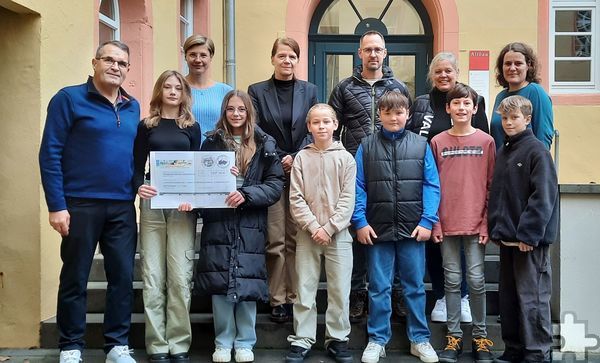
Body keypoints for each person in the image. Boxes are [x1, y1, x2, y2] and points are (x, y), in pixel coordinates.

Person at [39, 40, 139, 363]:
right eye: (109, 60)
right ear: (94, 63)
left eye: (122, 63)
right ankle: (70, 346)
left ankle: (117, 345)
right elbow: (50, 153)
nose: (115, 67)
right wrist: (56, 205)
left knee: (122, 276)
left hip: (122, 206)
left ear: (127, 70)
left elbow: (137, 156)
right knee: (75, 276)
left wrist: (139, 187)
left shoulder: (133, 106)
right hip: (79, 203)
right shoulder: (68, 100)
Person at [194, 90, 285, 363]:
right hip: (219, 221)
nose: (236, 114)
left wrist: (246, 192)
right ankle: (222, 341)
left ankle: (245, 341)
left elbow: (275, 185)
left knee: (248, 280)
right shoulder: (211, 143)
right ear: (224, 111)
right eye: (231, 109)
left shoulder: (265, 144)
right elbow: (200, 180)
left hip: (250, 222)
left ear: (249, 112)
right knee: (221, 280)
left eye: (241, 109)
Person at [328, 30, 412, 323]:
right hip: (357, 171)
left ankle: (397, 292)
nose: (373, 54)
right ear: (360, 53)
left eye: (378, 49)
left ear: (385, 53)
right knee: (358, 232)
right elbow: (334, 128)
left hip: (393, 171)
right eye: (368, 50)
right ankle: (358, 293)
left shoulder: (398, 87)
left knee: (394, 231)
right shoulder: (344, 88)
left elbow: (405, 127)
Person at [352, 91, 440, 363]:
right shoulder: (366, 146)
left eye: (399, 112)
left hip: (414, 229)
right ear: (379, 115)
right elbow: (357, 186)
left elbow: (432, 185)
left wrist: (428, 220)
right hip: (377, 229)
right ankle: (377, 340)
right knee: (378, 287)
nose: (393, 117)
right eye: (387, 112)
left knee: (414, 286)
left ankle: (420, 339)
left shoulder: (420, 146)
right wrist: (360, 221)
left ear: (408, 115)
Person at [408, 52, 489, 324]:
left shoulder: (472, 100)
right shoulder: (421, 104)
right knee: (434, 242)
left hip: (465, 189)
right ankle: (442, 295)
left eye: (449, 71)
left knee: (464, 244)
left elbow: (485, 145)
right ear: (432, 74)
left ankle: (463, 296)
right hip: (428, 184)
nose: (444, 75)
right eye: (439, 71)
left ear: (457, 72)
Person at [248, 37, 318, 323]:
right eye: (281, 56)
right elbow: (253, 128)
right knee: (275, 239)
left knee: (296, 238)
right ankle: (277, 297)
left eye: (292, 56)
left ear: (297, 60)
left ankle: (295, 296)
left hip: (302, 171)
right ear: (273, 58)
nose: (286, 61)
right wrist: (278, 155)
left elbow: (314, 127)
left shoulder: (310, 91)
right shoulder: (257, 91)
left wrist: (297, 154)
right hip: (272, 172)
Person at [133, 70, 200, 363]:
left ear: (184, 93)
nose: (173, 92)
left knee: (180, 276)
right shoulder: (147, 125)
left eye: (178, 88)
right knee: (152, 274)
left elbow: (197, 168)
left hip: (182, 208)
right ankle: (157, 344)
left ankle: (179, 342)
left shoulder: (192, 127)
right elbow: (136, 166)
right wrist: (139, 186)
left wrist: (194, 197)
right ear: (160, 91)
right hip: (153, 206)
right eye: (168, 87)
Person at [488, 95, 558, 363]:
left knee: (534, 300)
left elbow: (543, 197)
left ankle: (536, 354)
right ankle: (514, 349)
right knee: (510, 299)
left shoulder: (537, 150)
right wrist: (498, 229)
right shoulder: (505, 150)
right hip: (508, 240)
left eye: (514, 117)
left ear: (527, 119)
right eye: (504, 118)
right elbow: (501, 195)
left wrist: (529, 234)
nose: (508, 122)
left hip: (529, 242)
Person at [429, 83, 496, 363]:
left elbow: (492, 185)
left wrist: (486, 222)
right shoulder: (437, 142)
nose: (461, 108)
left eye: (466, 103)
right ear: (448, 108)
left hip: (475, 224)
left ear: (475, 108)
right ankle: (453, 337)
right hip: (446, 223)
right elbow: (430, 185)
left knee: (477, 282)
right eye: (456, 103)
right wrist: (434, 222)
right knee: (452, 282)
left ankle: (480, 338)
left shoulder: (486, 142)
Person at [285, 104, 357, 363]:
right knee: (304, 287)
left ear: (335, 125)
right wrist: (314, 227)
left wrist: (329, 227)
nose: (322, 126)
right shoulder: (302, 159)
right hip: (307, 234)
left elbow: (348, 199)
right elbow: (296, 198)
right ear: (309, 127)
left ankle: (337, 338)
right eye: (316, 122)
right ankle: (302, 338)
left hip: (338, 235)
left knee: (339, 288)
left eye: (327, 121)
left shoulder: (346, 158)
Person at [490, 42, 554, 150]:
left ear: (528, 65)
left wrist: (537, 163)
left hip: (526, 164)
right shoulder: (500, 96)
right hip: (502, 163)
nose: (512, 68)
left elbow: (543, 137)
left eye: (518, 63)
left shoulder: (536, 92)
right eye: (508, 63)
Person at [183, 34, 233, 144]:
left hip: (217, 155)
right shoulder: (177, 89)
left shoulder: (226, 91)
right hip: (184, 156)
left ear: (211, 57)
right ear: (185, 56)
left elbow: (236, 127)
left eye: (203, 55)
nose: (198, 60)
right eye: (192, 55)